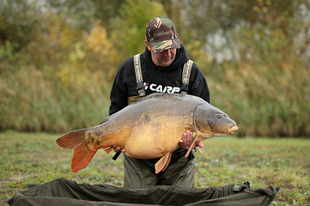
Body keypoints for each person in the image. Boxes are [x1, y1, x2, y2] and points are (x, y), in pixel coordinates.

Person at [108, 16, 210, 188]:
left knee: (180, 201)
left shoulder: (192, 73)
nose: (167, 54)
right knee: (138, 201)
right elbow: (116, 109)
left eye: (171, 48)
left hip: (179, 158)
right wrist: (116, 138)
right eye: (161, 49)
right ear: (148, 45)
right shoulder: (129, 69)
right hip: (138, 157)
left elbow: (205, 118)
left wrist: (192, 140)